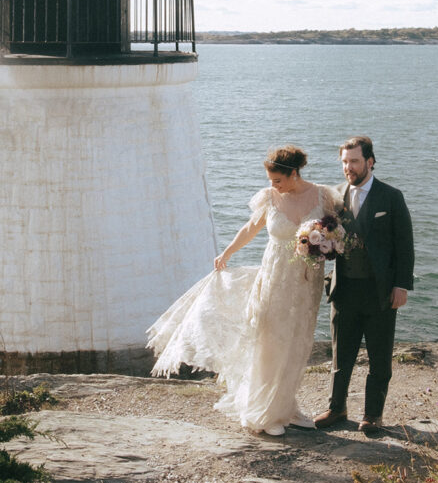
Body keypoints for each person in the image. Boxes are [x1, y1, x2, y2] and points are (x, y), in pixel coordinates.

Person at [148, 145, 341, 437]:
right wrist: (226, 252)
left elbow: (336, 230)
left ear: (293, 173)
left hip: (306, 283)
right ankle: (264, 411)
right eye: (270, 180)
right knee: (270, 340)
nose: (272, 185)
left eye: (277, 180)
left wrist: (328, 243)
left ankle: (286, 405)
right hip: (275, 278)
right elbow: (251, 228)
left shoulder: (322, 195)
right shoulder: (269, 197)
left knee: (298, 342)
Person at [315, 136, 414, 435]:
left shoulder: (391, 197)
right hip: (345, 289)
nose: (349, 167)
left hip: (380, 290)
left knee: (380, 356)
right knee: (340, 353)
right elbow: (328, 239)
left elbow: (404, 246)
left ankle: (373, 415)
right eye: (345, 162)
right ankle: (337, 408)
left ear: (370, 161)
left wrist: (401, 286)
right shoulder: (334, 198)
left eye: (354, 161)